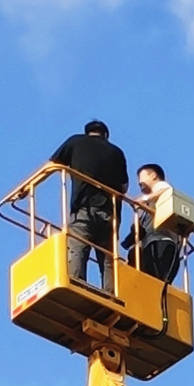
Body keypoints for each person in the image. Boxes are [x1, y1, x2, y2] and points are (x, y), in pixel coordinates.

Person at [50, 119, 128, 291]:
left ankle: (77, 285)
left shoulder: (75, 141)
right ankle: (111, 293)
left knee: (78, 247)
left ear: (88, 132)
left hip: (83, 208)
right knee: (108, 259)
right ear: (105, 135)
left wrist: (23, 192)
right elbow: (124, 187)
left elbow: (53, 164)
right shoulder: (117, 152)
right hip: (110, 213)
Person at [122, 162, 183, 283]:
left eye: (141, 178)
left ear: (154, 176)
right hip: (150, 245)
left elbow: (166, 188)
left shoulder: (162, 189)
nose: (139, 183)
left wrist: (144, 199)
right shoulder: (149, 204)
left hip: (161, 243)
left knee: (155, 280)